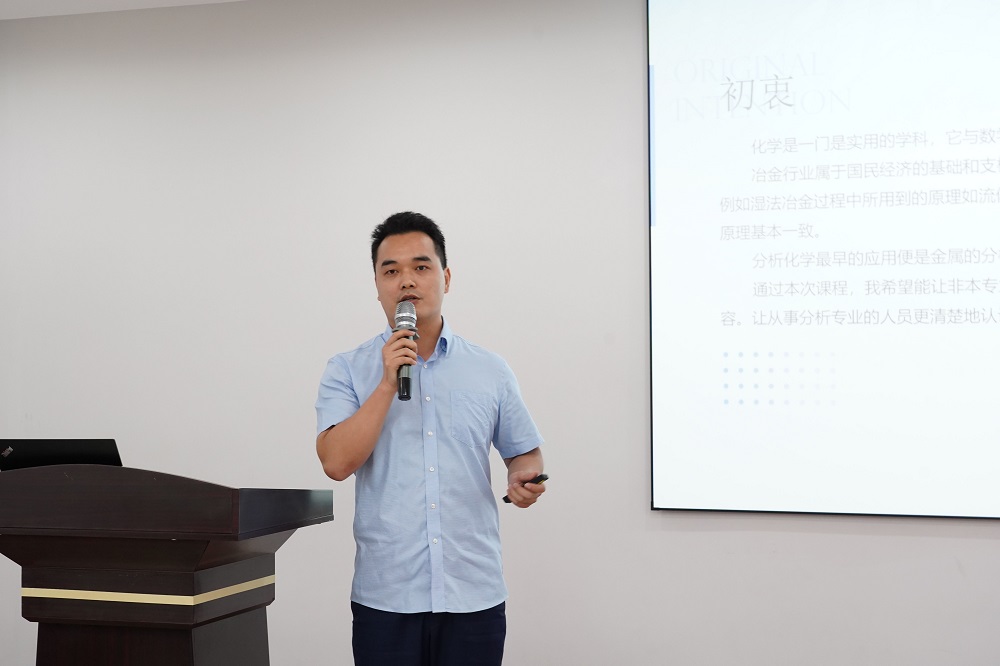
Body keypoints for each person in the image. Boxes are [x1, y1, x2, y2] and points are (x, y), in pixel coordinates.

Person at [315, 211, 547, 666]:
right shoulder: (346, 369)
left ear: (446, 277)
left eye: (421, 267)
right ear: (377, 285)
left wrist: (524, 478)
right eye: (391, 271)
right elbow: (336, 463)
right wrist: (387, 383)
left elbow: (525, 454)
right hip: (387, 597)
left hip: (473, 593)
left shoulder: (490, 369)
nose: (407, 281)